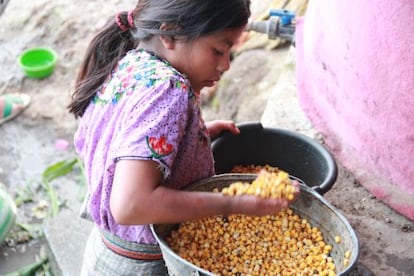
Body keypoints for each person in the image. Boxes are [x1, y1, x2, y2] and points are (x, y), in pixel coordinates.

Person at [68, 0, 299, 274]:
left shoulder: (131, 62)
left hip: (107, 250)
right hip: (142, 263)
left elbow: (126, 137)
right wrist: (235, 202)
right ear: (169, 34)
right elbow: (130, 205)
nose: (225, 65)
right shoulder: (169, 89)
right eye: (218, 50)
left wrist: (192, 136)